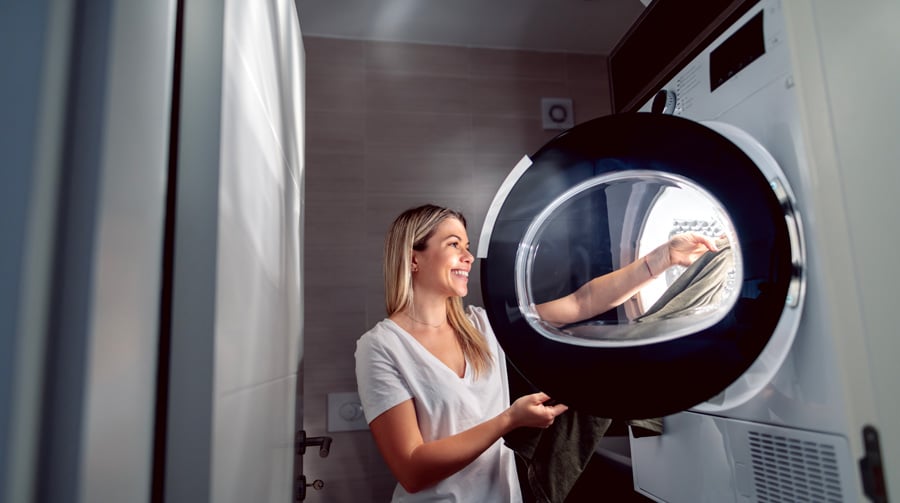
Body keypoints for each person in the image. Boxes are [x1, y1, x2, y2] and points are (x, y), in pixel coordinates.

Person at [354, 204, 717, 501]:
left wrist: (662, 257)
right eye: (454, 245)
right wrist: (508, 421)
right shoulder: (381, 347)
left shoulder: (483, 325)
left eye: (467, 246)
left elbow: (581, 302)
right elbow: (413, 470)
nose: (468, 257)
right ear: (413, 258)